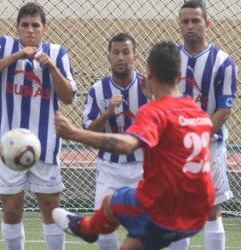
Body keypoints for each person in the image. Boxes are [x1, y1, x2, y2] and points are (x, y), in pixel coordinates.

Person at [52, 41, 215, 250]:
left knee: (111, 202)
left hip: (162, 209)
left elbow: (127, 145)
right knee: (132, 244)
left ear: (150, 75)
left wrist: (74, 133)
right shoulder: (199, 114)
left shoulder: (155, 111)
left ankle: (87, 229)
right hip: (198, 212)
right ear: (179, 75)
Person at [0, 2, 76, 250]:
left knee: (51, 206)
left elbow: (69, 97)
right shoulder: (4, 45)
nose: (30, 30)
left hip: (45, 143)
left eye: (35, 25)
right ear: (17, 27)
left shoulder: (57, 53)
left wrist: (50, 66)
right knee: (11, 208)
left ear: (44, 28)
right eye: (25, 25)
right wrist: (17, 55)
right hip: (8, 144)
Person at [176, 1, 237, 249]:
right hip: (175, 144)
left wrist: (199, 135)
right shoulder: (170, 58)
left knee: (211, 207)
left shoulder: (223, 62)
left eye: (196, 21)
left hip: (209, 143)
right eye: (185, 21)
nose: (190, 26)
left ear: (207, 24)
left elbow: (224, 110)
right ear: (179, 25)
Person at [82, 32, 147, 250]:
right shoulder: (98, 90)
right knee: (103, 225)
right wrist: (108, 110)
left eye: (126, 52)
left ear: (135, 57)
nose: (121, 57)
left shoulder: (149, 87)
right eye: (116, 52)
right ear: (108, 57)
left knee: (144, 227)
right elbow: (89, 132)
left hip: (144, 167)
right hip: (110, 167)